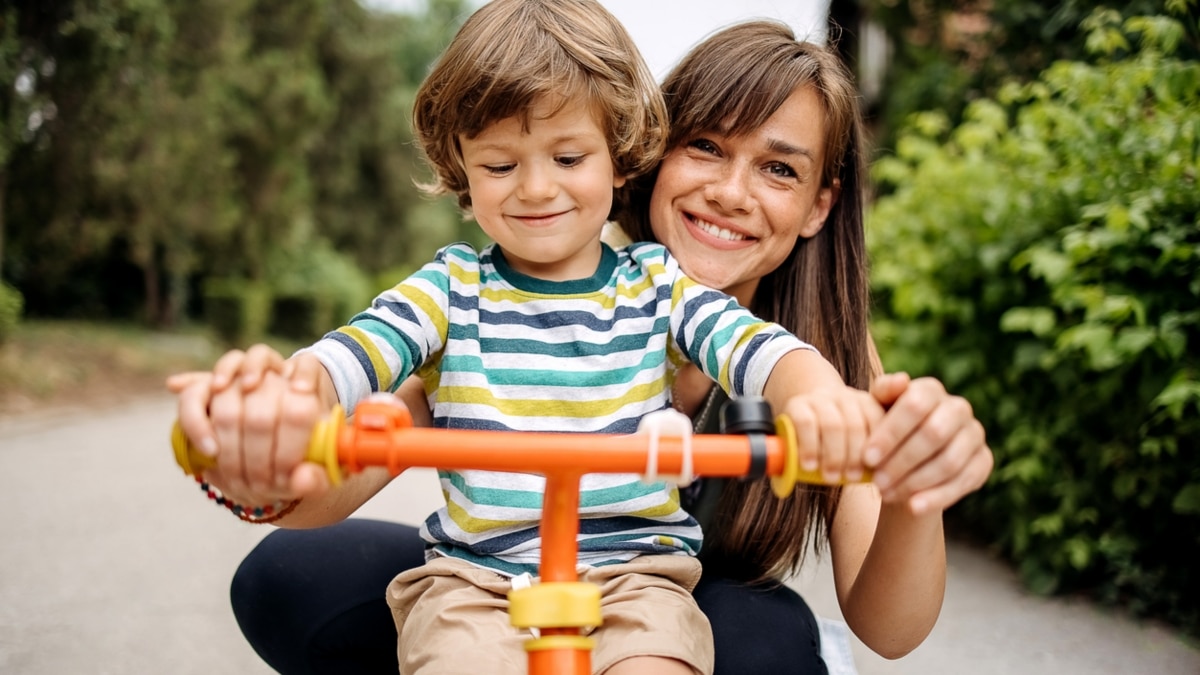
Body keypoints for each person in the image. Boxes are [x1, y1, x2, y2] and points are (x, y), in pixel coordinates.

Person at [172, 17, 993, 675]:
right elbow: (352, 397)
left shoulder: (721, 318)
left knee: (760, 641)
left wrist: (889, 463)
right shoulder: (481, 296)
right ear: (651, 154)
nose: (730, 191)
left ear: (818, 205)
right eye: (706, 145)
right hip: (488, 569)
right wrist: (261, 437)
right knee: (297, 572)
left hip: (651, 582)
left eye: (778, 170)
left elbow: (890, 618)